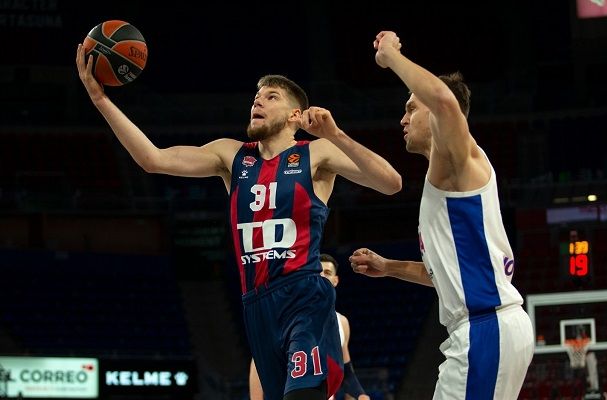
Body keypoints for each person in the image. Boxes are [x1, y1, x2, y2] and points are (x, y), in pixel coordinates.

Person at [76, 45, 401, 400]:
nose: (257, 102)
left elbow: (390, 183)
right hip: (256, 305)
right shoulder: (231, 155)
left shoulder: (315, 153)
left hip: (304, 296)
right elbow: (152, 159)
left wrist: (335, 135)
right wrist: (100, 100)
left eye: (271, 97)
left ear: (295, 115)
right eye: (256, 97)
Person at [349, 31, 534, 400]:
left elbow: (446, 103)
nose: (402, 119)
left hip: (484, 329)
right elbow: (446, 276)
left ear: (434, 113)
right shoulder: (446, 179)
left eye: (411, 108)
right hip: (490, 328)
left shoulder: (458, 159)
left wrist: (391, 56)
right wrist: (389, 267)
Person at [248, 253, 370, 400]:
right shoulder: (286, 316)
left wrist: (361, 395)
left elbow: (346, 372)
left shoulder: (342, 322)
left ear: (335, 280)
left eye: (327, 273)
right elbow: (260, 363)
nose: (322, 276)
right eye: (318, 272)